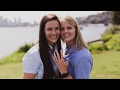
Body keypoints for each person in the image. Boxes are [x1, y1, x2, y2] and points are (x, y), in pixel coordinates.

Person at [22, 14, 61, 79]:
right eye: (49, 29)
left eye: (57, 28)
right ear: (43, 31)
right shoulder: (34, 54)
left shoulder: (58, 49)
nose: (54, 33)